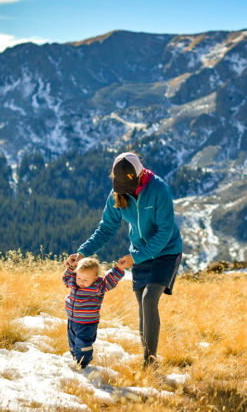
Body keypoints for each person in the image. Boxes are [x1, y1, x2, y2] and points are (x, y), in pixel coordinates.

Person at [67, 152, 183, 367]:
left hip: (166, 251)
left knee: (150, 299)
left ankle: (150, 362)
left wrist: (135, 257)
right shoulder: (116, 194)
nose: (125, 192)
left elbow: (165, 231)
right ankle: (147, 355)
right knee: (142, 305)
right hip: (140, 253)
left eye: (128, 187)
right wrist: (82, 253)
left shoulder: (159, 190)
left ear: (139, 176)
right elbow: (106, 228)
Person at [63, 257, 126, 368]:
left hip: (87, 323)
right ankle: (75, 359)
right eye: (79, 278)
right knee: (73, 344)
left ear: (95, 278)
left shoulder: (98, 286)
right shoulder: (73, 280)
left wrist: (118, 269)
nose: (81, 282)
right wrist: (71, 266)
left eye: (86, 280)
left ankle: (83, 364)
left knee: (83, 344)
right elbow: (66, 277)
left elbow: (110, 280)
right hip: (72, 321)